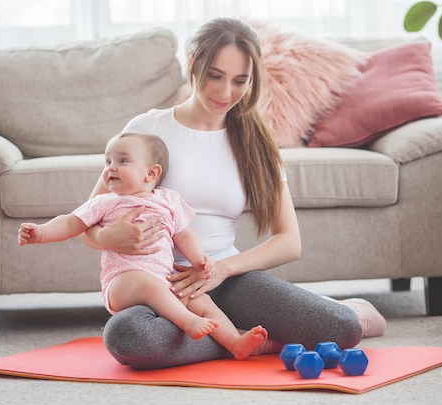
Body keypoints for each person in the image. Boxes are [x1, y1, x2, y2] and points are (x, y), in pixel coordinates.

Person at [82, 17, 386, 370]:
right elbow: (87, 220)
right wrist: (107, 236)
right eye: (215, 75)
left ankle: (263, 329)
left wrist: (222, 270)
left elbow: (289, 241)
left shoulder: (255, 143)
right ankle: (245, 339)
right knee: (128, 335)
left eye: (240, 81)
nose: (225, 93)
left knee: (342, 327)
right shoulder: (146, 129)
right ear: (193, 61)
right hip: (158, 285)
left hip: (227, 280)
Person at [18, 132, 269, 360]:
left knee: (200, 299)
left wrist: (199, 260)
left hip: (164, 280)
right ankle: (188, 323)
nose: (111, 168)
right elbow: (72, 222)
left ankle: (234, 342)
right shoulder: (107, 202)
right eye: (108, 162)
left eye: (122, 161)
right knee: (148, 285)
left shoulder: (168, 200)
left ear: (151, 173)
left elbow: (185, 235)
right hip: (122, 282)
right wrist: (41, 233)